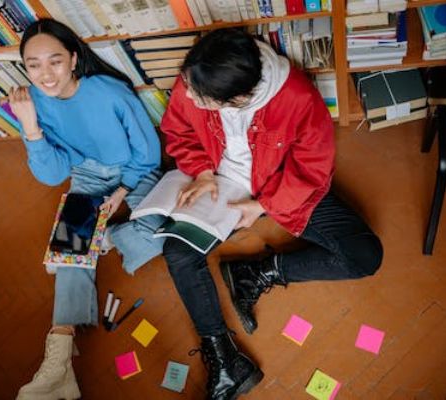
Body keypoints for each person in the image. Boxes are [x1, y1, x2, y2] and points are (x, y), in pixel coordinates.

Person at [160, 28, 383, 400]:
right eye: (190, 89)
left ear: (239, 99)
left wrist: (263, 205)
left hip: (278, 188)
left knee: (364, 255)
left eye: (203, 100)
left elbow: (312, 168)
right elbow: (177, 128)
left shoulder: (298, 98)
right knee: (177, 252)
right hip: (219, 184)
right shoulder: (198, 78)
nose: (189, 98)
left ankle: (256, 272)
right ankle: (225, 361)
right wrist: (201, 171)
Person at [9, 19, 164, 399]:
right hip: (86, 175)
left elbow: (147, 152)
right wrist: (30, 128)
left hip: (134, 171)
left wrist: (123, 192)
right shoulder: (32, 103)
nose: (45, 74)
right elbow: (53, 174)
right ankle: (58, 362)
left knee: (160, 232)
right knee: (69, 256)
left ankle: (98, 240)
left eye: (55, 61)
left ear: (74, 60)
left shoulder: (109, 92)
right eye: (33, 65)